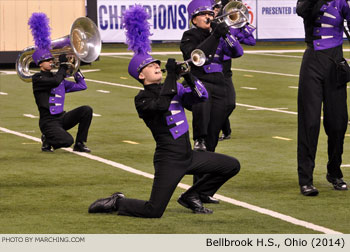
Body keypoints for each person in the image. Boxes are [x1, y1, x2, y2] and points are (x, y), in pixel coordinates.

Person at [88, 5, 240, 218]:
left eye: (158, 64)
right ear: (141, 76)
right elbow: (161, 105)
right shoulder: (142, 99)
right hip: (169, 160)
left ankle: (193, 195)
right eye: (151, 66)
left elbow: (199, 98)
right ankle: (118, 202)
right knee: (154, 210)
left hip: (188, 155)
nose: (157, 66)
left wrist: (188, 76)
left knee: (231, 165)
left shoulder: (174, 87)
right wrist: (171, 77)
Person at [296, 0, 349, 196]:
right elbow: (302, 11)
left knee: (338, 123)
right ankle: (306, 179)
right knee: (309, 123)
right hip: (313, 63)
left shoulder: (342, 2)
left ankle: (334, 171)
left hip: (335, 63)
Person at [180, 0, 243, 152]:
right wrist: (215, 35)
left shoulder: (219, 33)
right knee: (203, 102)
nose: (208, 17)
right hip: (199, 80)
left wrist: (226, 33)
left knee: (215, 130)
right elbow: (197, 56)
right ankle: (199, 139)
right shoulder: (189, 35)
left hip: (219, 82)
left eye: (210, 14)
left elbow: (238, 52)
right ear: (194, 19)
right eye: (203, 15)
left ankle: (209, 147)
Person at [28, 13, 93, 153]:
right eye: (48, 61)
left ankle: (80, 143)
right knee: (66, 141)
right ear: (40, 64)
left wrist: (75, 67)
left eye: (52, 60)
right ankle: (47, 137)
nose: (51, 62)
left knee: (86, 110)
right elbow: (55, 80)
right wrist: (63, 66)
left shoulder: (58, 78)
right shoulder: (38, 79)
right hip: (48, 122)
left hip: (61, 118)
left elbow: (82, 86)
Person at [214, 0, 256, 141]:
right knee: (218, 102)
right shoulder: (215, 26)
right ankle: (224, 130)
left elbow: (252, 42)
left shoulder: (234, 25)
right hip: (215, 66)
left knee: (229, 103)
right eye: (214, 9)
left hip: (226, 68)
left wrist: (240, 34)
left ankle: (222, 128)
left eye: (216, 9)